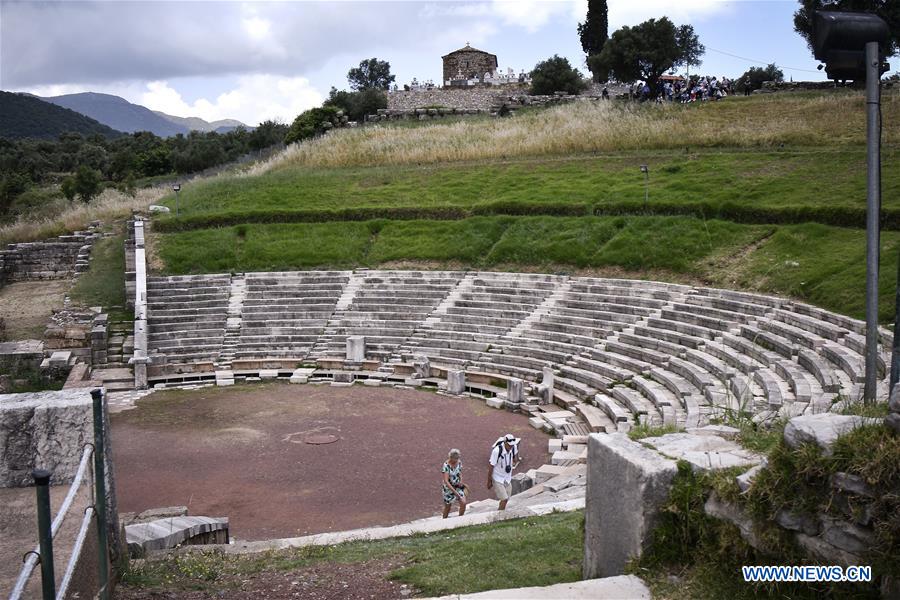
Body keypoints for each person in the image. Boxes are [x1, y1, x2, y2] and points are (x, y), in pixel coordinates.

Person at [486, 433, 521, 511]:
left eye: (512, 445)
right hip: (497, 477)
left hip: (507, 478)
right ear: (505, 442)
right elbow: (491, 466)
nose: (511, 447)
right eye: (509, 445)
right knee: (504, 498)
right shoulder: (497, 451)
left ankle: (499, 510)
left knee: (506, 498)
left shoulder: (513, 447)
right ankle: (499, 516)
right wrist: (489, 481)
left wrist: (515, 459)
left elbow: (516, 457)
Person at [441, 448, 467, 518]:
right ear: (451, 457)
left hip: (457, 486)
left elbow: (460, 473)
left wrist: (461, 481)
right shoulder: (446, 466)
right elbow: (446, 481)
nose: (457, 460)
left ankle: (460, 519)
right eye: (455, 459)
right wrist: (455, 492)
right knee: (448, 507)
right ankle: (443, 521)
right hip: (448, 489)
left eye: (458, 458)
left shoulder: (459, 462)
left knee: (463, 502)